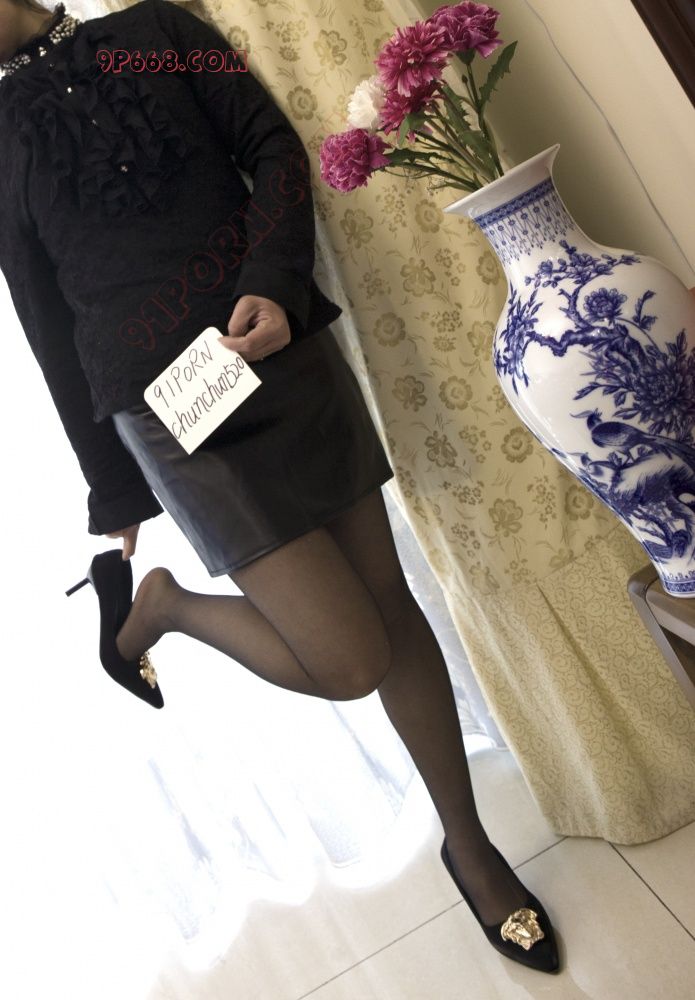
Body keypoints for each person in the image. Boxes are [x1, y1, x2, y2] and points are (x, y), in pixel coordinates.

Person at [0, 0, 560, 973]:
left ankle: (469, 845)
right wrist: (112, 494)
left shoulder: (156, 31)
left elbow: (270, 149)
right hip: (170, 410)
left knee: (387, 602)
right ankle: (165, 607)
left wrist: (271, 276)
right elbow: (43, 318)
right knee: (346, 657)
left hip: (277, 343)